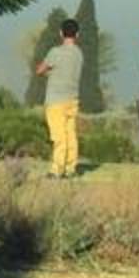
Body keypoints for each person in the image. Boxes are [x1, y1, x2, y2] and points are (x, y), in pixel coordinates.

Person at [36, 18, 83, 179]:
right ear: (77, 34)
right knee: (71, 134)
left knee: (58, 136)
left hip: (56, 100)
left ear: (61, 33)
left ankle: (57, 169)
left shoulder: (55, 52)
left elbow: (40, 70)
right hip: (73, 98)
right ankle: (71, 167)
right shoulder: (78, 54)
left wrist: (50, 73)